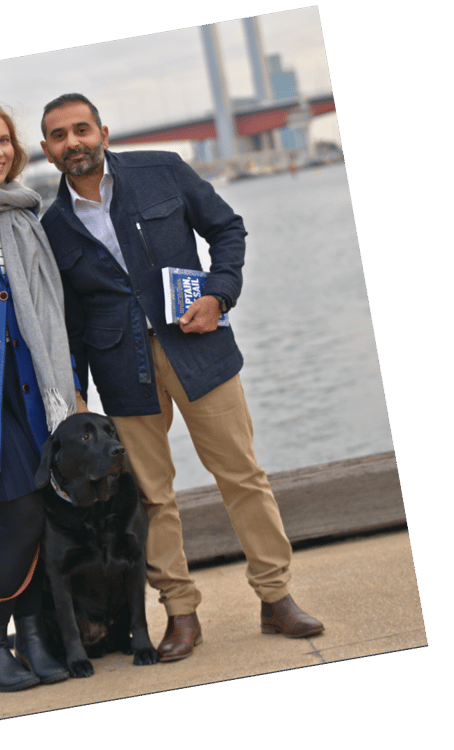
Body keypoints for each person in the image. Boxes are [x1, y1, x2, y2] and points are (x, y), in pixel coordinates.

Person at [39, 93, 324, 663]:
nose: (74, 142)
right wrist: (75, 390)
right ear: (47, 150)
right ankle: (180, 611)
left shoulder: (162, 170)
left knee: (242, 475)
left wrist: (219, 294)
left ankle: (276, 597)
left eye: (82, 129)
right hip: (121, 369)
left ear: (103, 133)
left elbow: (228, 229)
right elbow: (70, 321)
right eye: (59, 135)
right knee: (151, 496)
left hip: (199, 349)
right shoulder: (53, 227)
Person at [0, 104, 80, 691]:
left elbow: (53, 310)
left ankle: (30, 636)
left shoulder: (24, 215)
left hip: (28, 385)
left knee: (32, 510)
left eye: (3, 140)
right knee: (16, 512)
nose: (0, 152)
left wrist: (70, 385)